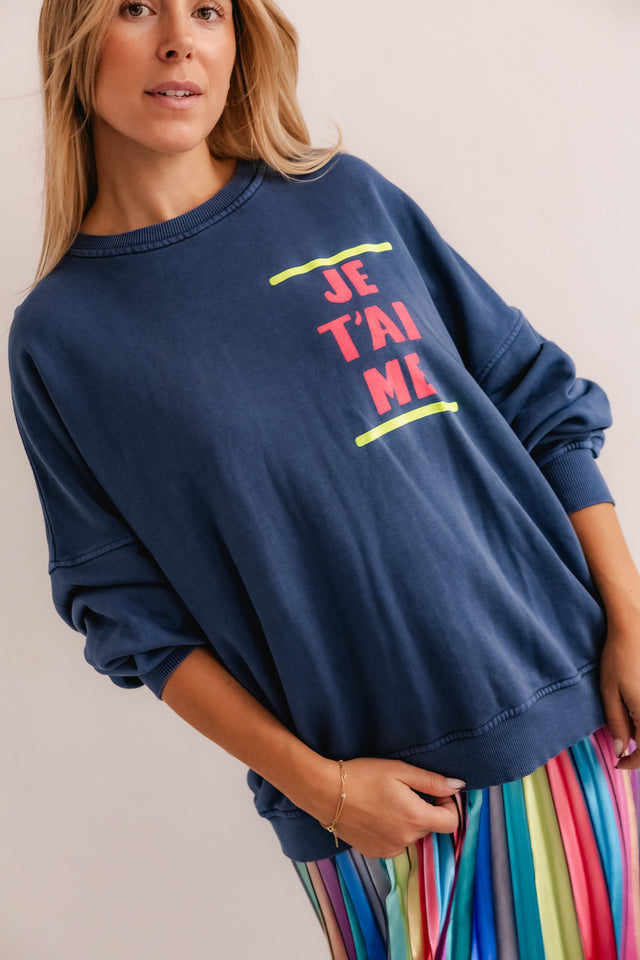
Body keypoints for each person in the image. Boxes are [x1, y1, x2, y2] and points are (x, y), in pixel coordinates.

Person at [8, 0, 640, 956]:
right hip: (375, 817)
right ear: (74, 38)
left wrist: (630, 618)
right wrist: (323, 789)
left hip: (575, 720)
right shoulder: (63, 339)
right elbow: (132, 618)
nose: (179, 39)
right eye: (136, 7)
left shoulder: (345, 198)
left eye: (208, 11)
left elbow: (539, 402)